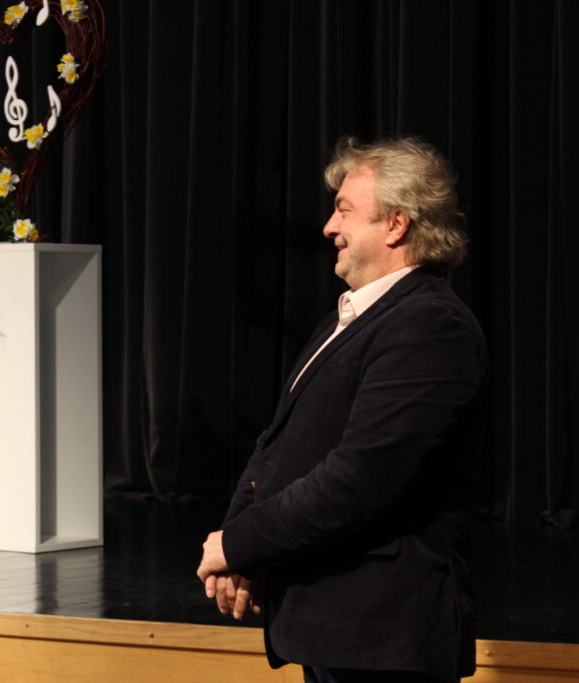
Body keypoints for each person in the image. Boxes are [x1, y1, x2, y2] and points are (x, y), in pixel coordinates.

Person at [197, 137, 486, 683]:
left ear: (396, 224)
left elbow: (361, 477)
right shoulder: (350, 318)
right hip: (334, 626)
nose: (330, 227)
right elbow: (277, 445)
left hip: (382, 636)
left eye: (344, 210)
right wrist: (241, 550)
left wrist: (241, 543)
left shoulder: (429, 324)